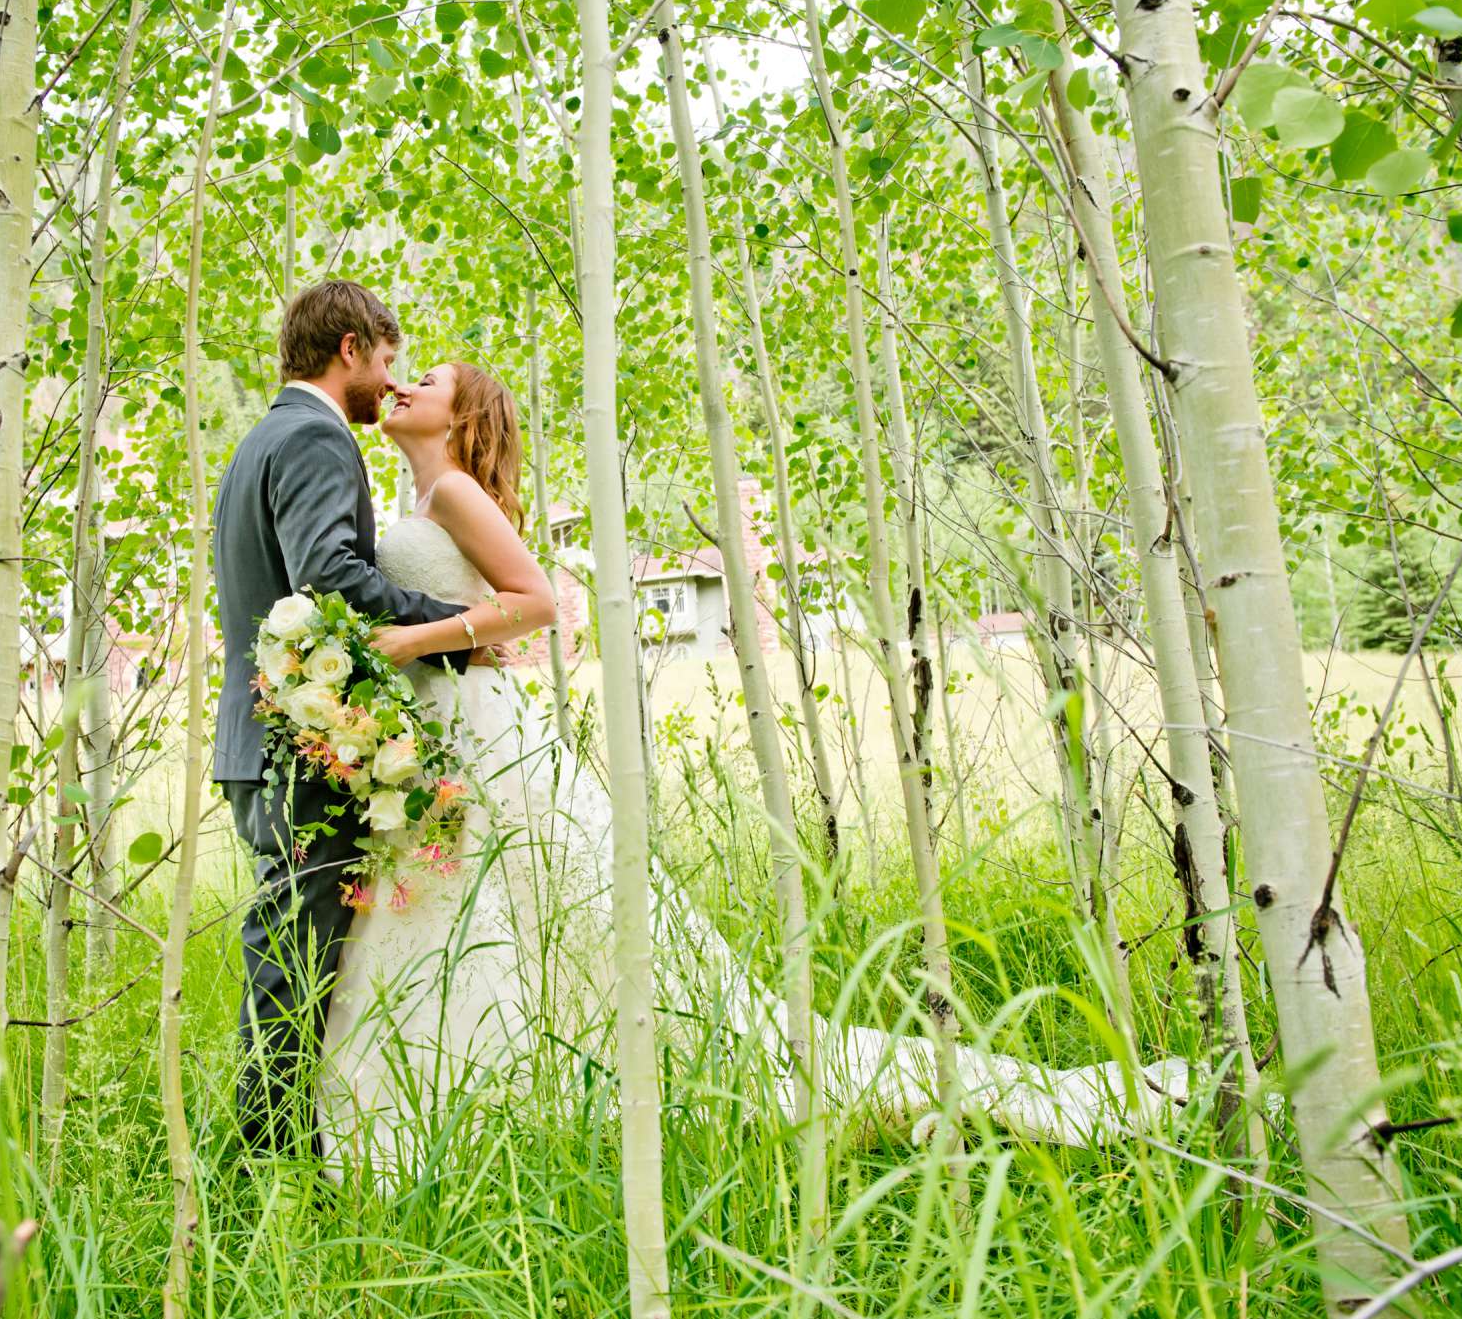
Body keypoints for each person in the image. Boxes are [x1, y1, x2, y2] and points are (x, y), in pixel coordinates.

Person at [314, 355, 1192, 1172]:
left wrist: (417, 638)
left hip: (483, 733)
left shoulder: (458, 492)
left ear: (462, 416)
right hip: (438, 738)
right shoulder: (418, 498)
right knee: (463, 918)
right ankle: (459, 1100)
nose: (402, 388)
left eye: (424, 380)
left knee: (544, 915)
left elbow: (538, 602)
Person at [209, 280, 474, 1157]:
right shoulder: (320, 439)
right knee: (292, 962)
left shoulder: (261, 441)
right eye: (388, 360)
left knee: (292, 949)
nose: (390, 381)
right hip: (300, 750)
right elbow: (331, 577)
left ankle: (288, 1155)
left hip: (258, 741)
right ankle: (266, 1164)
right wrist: (451, 629)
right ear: (352, 347)